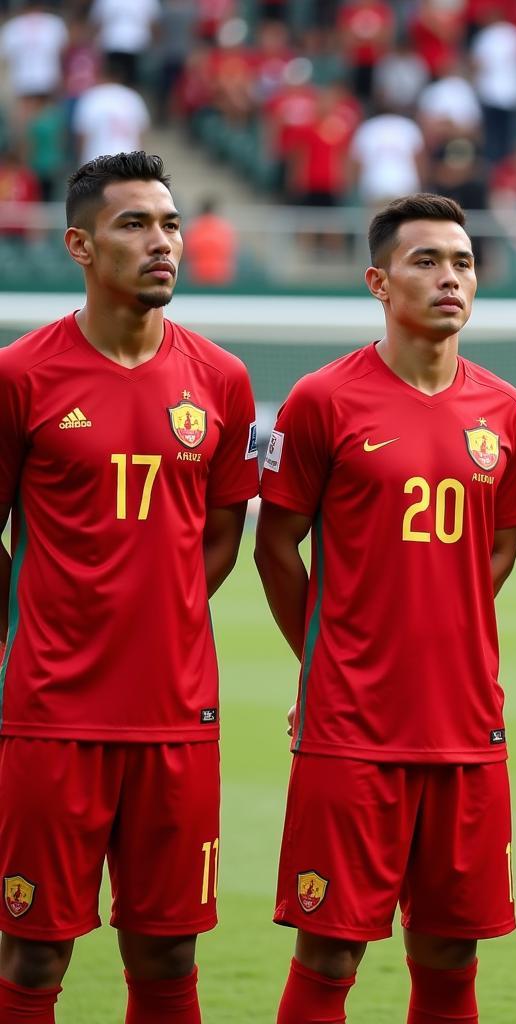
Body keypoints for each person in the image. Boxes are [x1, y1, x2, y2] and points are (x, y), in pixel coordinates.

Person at [255, 193, 516, 1024]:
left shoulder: (505, 411)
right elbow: (276, 548)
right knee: (331, 947)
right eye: (427, 261)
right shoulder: (322, 400)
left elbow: (504, 543)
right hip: (352, 723)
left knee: (452, 951)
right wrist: (329, 655)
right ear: (378, 281)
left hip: (467, 719)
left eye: (462, 262)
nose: (450, 278)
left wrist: (441, 626)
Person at [0, 151, 259, 1023]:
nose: (163, 243)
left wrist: (166, 610)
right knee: (33, 958)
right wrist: (34, 616)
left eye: (172, 224)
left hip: (176, 715)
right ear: (80, 244)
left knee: (166, 951)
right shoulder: (21, 376)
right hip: (50, 715)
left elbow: (222, 531)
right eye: (136, 225)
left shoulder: (221, 379)